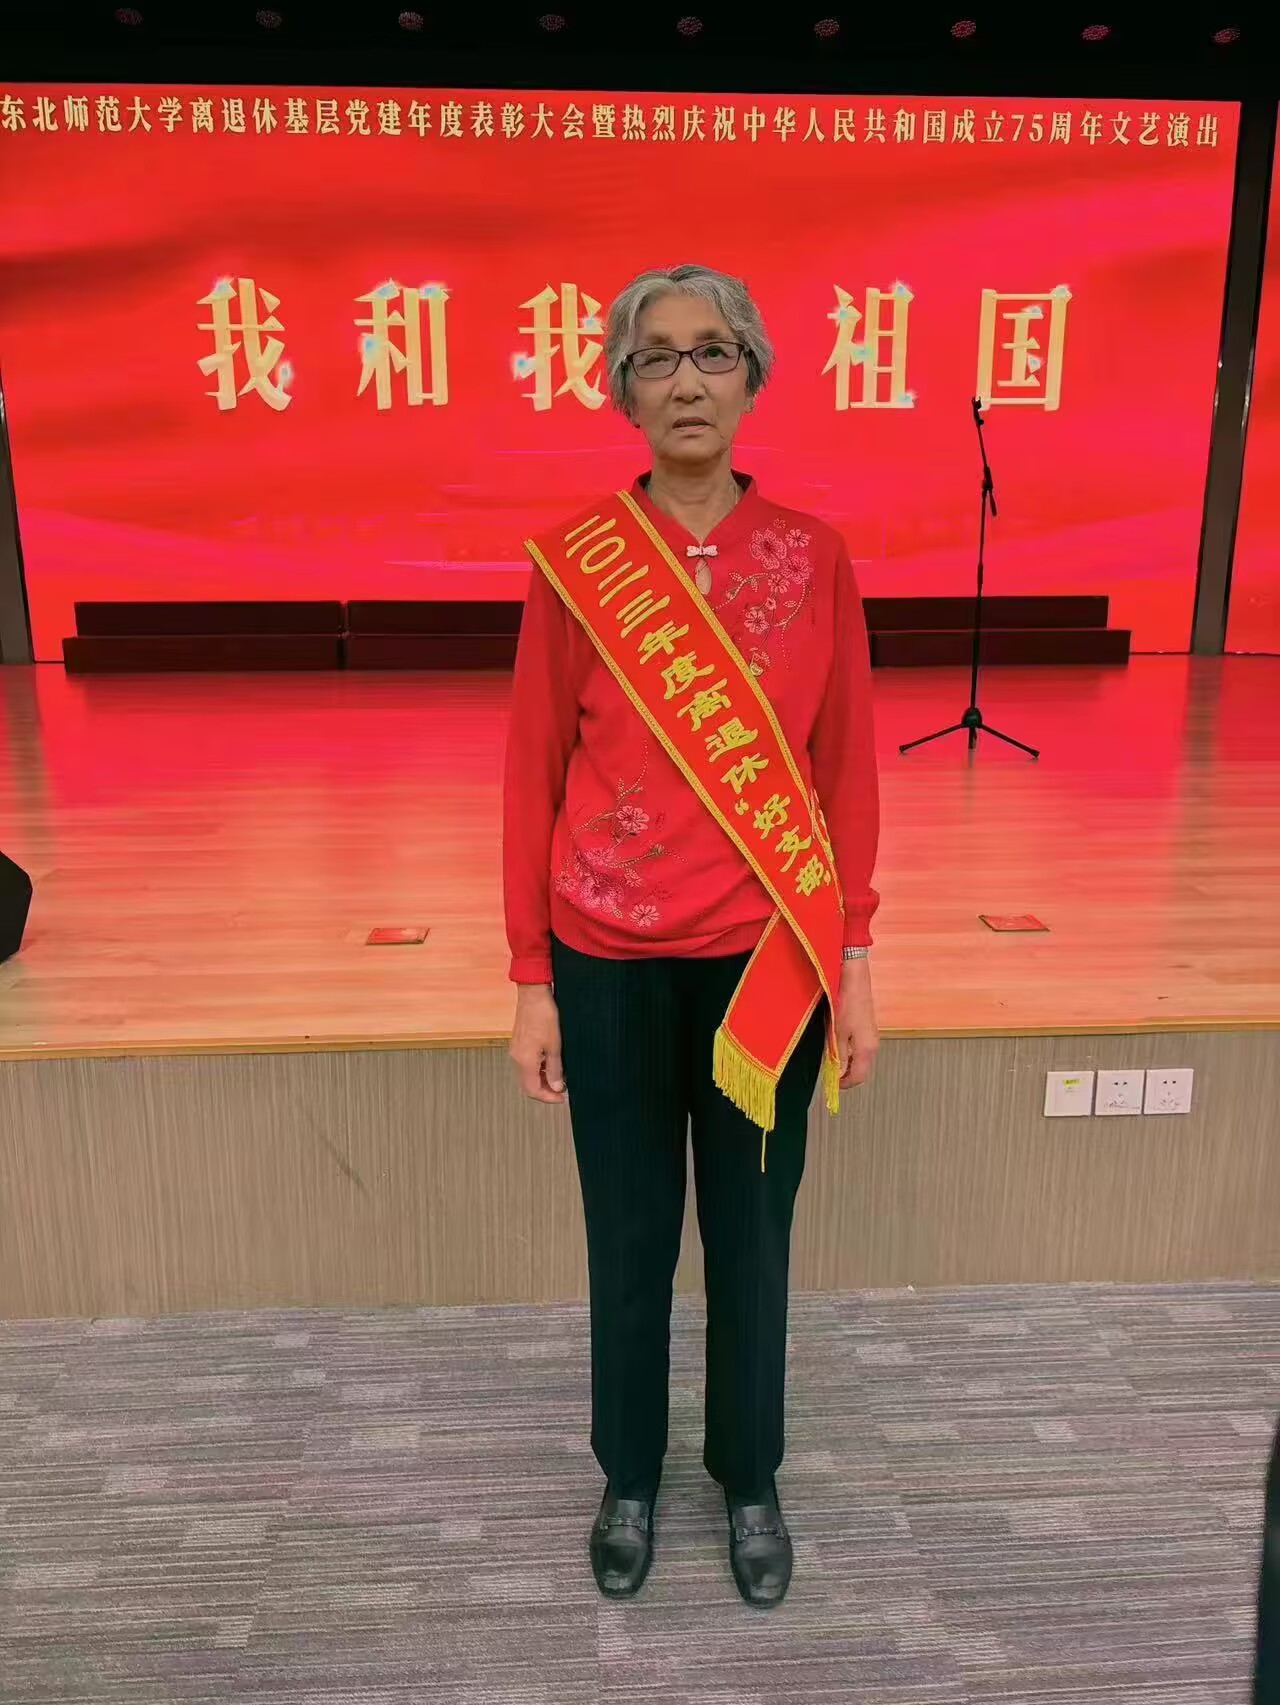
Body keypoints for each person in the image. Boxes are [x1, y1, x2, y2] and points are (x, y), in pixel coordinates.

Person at [503, 263, 880, 1608]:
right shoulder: (579, 564)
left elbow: (846, 772)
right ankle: (629, 1474)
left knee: (753, 1239)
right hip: (606, 959)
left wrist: (855, 961)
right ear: (623, 389)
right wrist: (531, 976)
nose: (685, 380)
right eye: (655, 357)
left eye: (712, 352)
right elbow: (533, 772)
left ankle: (751, 1474)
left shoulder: (815, 556)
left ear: (752, 377)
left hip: (765, 963)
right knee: (628, 1237)